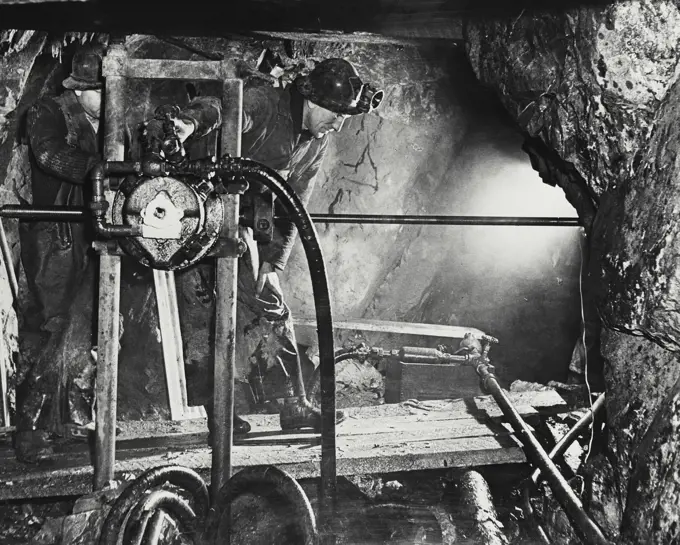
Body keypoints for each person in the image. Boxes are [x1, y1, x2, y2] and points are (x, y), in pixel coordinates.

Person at [177, 57, 382, 436]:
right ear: (311, 98)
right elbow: (222, 108)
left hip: (245, 225)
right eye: (335, 112)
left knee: (270, 307)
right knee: (201, 317)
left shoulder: (314, 144)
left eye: (345, 116)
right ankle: (216, 415)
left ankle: (292, 405)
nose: (339, 123)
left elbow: (292, 205)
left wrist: (273, 264)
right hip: (195, 214)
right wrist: (188, 122)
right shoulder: (265, 101)